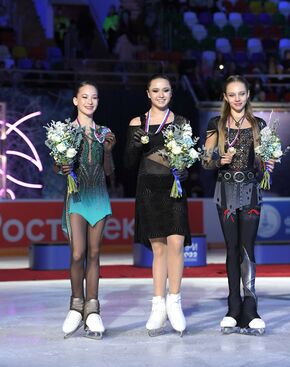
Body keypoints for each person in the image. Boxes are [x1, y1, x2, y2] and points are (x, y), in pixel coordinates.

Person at [202, 75, 275, 335]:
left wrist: (269, 162)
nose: (237, 98)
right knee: (232, 249)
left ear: (248, 95)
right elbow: (205, 161)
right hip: (226, 192)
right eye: (231, 94)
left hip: (250, 192)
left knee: (248, 248)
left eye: (241, 93)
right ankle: (233, 307)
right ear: (225, 97)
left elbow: (264, 159)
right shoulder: (217, 124)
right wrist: (217, 161)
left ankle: (251, 307)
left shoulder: (258, 124)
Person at [124, 74, 191, 336]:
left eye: (165, 90)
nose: (161, 94)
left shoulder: (182, 122)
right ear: (148, 94)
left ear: (171, 93)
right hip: (149, 190)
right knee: (159, 249)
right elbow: (129, 164)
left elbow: (188, 158)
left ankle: (175, 302)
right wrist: (134, 142)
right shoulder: (136, 122)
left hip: (173, 190)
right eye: (155, 90)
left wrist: (185, 171)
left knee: (176, 242)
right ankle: (158, 306)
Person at [56, 81, 116, 340]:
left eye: (94, 97)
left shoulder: (104, 132)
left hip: (99, 196)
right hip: (77, 197)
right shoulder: (65, 132)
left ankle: (93, 308)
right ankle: (75, 305)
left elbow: (109, 171)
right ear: (75, 101)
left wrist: (109, 151)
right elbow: (59, 168)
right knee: (78, 253)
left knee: (94, 253)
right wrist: (63, 167)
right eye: (84, 97)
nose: (89, 101)